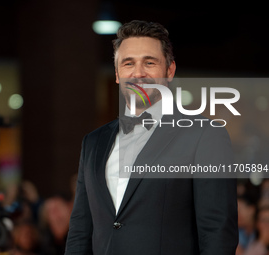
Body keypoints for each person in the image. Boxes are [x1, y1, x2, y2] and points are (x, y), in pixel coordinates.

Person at [65, 20, 238, 255]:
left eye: (149, 62)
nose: (138, 73)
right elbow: (80, 231)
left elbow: (217, 232)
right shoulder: (93, 142)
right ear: (117, 74)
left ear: (169, 71)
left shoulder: (205, 135)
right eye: (128, 63)